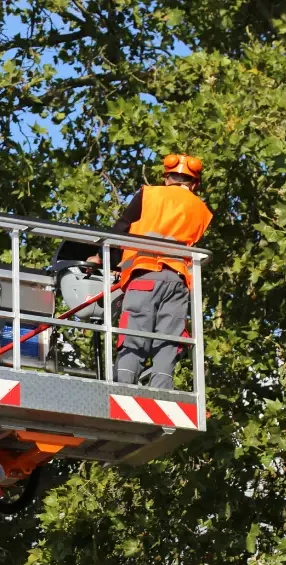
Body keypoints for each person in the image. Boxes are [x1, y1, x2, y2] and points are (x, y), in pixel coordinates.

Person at [92, 154, 212, 389]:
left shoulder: (149, 194)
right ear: (194, 184)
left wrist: (103, 259)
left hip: (144, 275)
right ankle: (161, 389)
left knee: (135, 331)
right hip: (178, 281)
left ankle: (124, 387)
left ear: (166, 178)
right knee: (169, 338)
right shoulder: (202, 210)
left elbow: (120, 231)